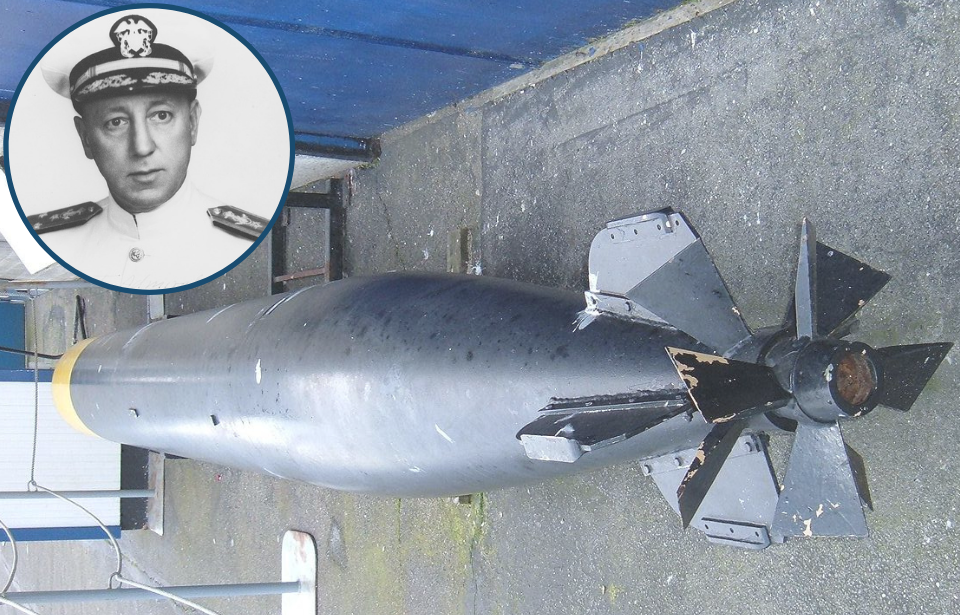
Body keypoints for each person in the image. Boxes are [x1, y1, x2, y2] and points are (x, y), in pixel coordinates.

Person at [26, 13, 267, 290]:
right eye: (116, 122)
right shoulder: (51, 239)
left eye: (161, 116)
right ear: (86, 139)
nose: (142, 147)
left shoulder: (246, 236)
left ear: (192, 123)